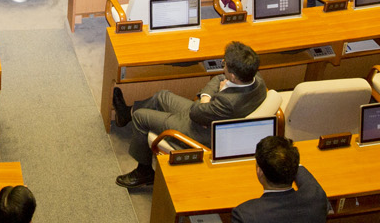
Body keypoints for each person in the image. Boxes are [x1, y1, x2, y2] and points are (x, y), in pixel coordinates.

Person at [111, 41, 268, 189]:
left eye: (224, 64)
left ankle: (144, 171)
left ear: (233, 76)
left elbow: (195, 113)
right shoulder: (255, 79)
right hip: (208, 114)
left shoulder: (227, 101)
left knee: (141, 117)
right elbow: (218, 79)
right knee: (162, 96)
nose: (222, 65)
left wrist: (212, 97)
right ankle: (126, 114)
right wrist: (207, 98)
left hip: (200, 131)